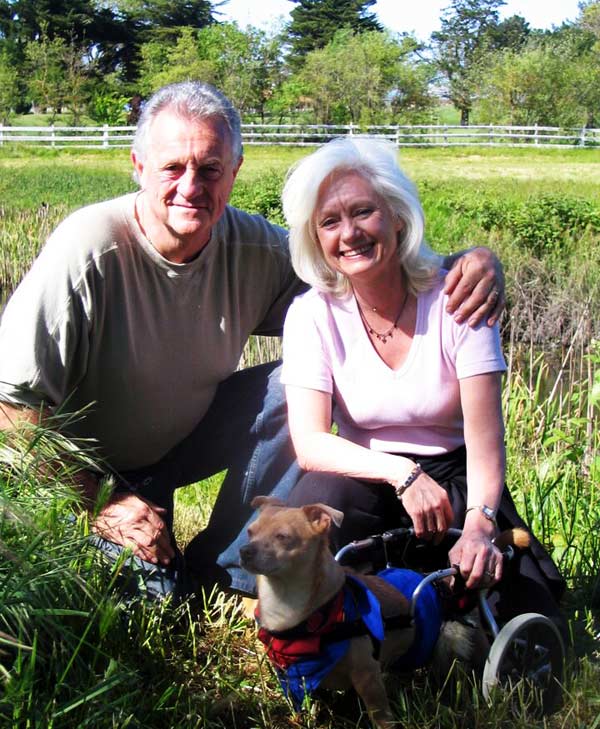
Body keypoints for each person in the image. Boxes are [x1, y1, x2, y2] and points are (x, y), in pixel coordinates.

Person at [0, 81, 504, 600]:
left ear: (234, 172)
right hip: (84, 469)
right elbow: (12, 412)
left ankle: (229, 570)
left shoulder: (252, 246)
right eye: (173, 167)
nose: (191, 186)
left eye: (210, 168)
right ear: (138, 166)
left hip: (181, 443)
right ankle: (155, 559)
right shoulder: (88, 250)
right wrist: (103, 502)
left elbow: (359, 265)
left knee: (292, 383)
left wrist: (470, 263)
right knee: (153, 600)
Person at [280, 136, 565, 633]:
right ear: (315, 238)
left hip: (456, 479)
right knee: (318, 502)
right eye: (330, 221)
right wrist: (401, 474)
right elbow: (309, 443)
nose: (349, 234)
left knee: (523, 609)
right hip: (365, 474)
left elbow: (484, 441)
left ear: (396, 215)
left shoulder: (459, 297)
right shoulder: (310, 314)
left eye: (364, 212)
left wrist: (478, 520)